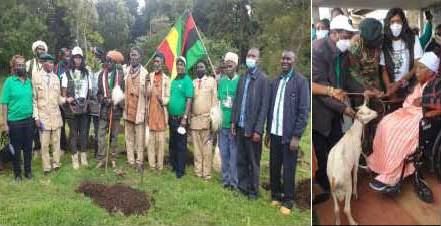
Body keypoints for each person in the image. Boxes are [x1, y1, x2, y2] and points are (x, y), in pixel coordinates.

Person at [368, 52, 437, 203]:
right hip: (408, 112)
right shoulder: (419, 84)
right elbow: (409, 101)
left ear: (431, 72)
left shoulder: (435, 86)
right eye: (416, 69)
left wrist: (425, 104)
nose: (417, 73)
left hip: (422, 117)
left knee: (396, 132)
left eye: (421, 69)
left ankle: (391, 175)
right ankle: (381, 163)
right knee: (385, 123)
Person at [312, 15, 365, 197]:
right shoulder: (317, 50)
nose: (349, 40)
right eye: (346, 36)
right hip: (320, 110)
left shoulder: (342, 53)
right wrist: (345, 109)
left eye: (351, 35)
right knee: (322, 150)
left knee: (336, 145)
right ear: (334, 34)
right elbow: (319, 88)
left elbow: (347, 79)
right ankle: (325, 180)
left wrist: (364, 90)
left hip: (335, 110)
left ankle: (333, 176)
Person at [266, 51, 309, 215]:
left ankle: (288, 200)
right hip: (275, 132)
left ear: (294, 61)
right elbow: (271, 108)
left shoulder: (301, 82)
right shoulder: (276, 81)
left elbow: (303, 111)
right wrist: (268, 132)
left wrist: (297, 136)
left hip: (289, 135)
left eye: (288, 58)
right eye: (283, 58)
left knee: (289, 168)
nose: (284, 61)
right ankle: (276, 195)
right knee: (274, 166)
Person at [231, 47, 270, 199]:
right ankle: (242, 187)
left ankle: (253, 191)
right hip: (240, 126)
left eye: (253, 56)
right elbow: (237, 101)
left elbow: (264, 107)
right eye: (248, 55)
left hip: (253, 129)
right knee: (241, 159)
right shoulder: (243, 77)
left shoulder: (263, 80)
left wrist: (259, 130)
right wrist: (233, 122)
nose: (250, 58)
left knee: (253, 161)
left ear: (258, 59)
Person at [1, 55, 34, 182]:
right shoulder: (9, 82)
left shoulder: (29, 82)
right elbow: (4, 103)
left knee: (27, 148)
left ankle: (28, 171)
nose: (21, 67)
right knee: (16, 148)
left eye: (23, 64)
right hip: (14, 121)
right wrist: (5, 123)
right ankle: (17, 174)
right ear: (13, 67)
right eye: (18, 65)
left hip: (29, 120)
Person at [381, 8, 423, 103]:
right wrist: (389, 87)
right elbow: (383, 69)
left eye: (398, 21)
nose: (395, 25)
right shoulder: (384, 42)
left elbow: (417, 65)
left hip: (410, 86)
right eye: (392, 22)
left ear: (403, 22)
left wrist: (400, 82)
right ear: (388, 23)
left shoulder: (413, 39)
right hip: (392, 86)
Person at [32, 53, 65, 175]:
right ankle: (46, 167)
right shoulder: (36, 77)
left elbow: (58, 98)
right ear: (42, 63)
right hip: (43, 116)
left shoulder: (56, 78)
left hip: (55, 115)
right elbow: (34, 99)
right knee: (44, 144)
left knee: (56, 142)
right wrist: (36, 117)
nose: (51, 65)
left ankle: (56, 164)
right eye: (48, 62)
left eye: (52, 63)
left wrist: (67, 100)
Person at [61, 46, 92, 169]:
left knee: (84, 133)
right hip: (71, 109)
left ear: (82, 59)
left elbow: (89, 90)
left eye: (79, 58)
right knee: (73, 134)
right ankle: (74, 158)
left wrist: (87, 103)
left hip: (84, 108)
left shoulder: (87, 73)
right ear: (72, 59)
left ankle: (83, 156)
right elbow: (63, 92)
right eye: (75, 58)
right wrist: (68, 101)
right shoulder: (65, 74)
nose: (77, 60)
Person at [95, 50, 125, 168]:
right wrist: (104, 99)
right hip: (104, 110)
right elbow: (98, 94)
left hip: (116, 111)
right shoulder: (101, 75)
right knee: (101, 134)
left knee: (114, 135)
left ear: (115, 63)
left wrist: (116, 100)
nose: (109, 63)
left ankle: (113, 158)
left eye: (111, 61)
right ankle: (102, 158)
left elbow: (123, 93)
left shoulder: (120, 76)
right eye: (107, 61)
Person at [190, 60, 218, 180]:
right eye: (197, 67)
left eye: (201, 67)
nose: (199, 69)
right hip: (195, 120)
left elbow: (215, 101)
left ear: (205, 69)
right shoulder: (193, 82)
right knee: (197, 149)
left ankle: (206, 173)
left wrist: (214, 120)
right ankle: (198, 171)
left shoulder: (211, 81)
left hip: (207, 119)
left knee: (206, 149)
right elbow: (190, 102)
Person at [123, 47, 150, 170]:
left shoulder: (145, 73)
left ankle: (139, 161)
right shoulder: (126, 71)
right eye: (131, 55)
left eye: (135, 55)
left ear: (140, 57)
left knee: (140, 138)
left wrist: (148, 84)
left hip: (139, 110)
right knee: (129, 137)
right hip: (128, 109)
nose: (133, 57)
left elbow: (149, 94)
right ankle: (130, 160)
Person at [168, 56, 194, 178]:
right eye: (178, 64)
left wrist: (185, 117)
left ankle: (180, 170)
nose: (179, 66)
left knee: (181, 145)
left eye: (182, 64)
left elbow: (189, 100)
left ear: (185, 66)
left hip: (181, 119)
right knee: (172, 143)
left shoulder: (187, 80)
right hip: (171, 117)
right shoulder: (174, 81)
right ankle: (173, 166)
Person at [218, 52, 240, 189]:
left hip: (234, 125)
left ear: (236, 66)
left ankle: (234, 182)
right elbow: (219, 100)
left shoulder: (240, 81)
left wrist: (235, 122)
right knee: (224, 153)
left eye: (230, 65)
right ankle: (225, 180)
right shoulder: (222, 81)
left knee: (234, 155)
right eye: (226, 65)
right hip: (222, 124)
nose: (228, 68)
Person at [147, 54, 170, 171]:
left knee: (161, 143)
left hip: (161, 113)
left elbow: (168, 97)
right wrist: (146, 85)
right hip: (151, 112)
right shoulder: (149, 76)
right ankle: (152, 165)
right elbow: (145, 95)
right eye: (155, 61)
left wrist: (163, 101)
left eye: (159, 62)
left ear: (163, 64)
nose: (156, 63)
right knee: (151, 142)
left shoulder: (166, 79)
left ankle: (160, 166)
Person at [27, 40, 48, 156]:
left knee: (45, 121)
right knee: (34, 122)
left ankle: (46, 146)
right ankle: (37, 148)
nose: (40, 51)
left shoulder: (48, 63)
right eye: (39, 49)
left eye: (42, 49)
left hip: (45, 97)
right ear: (35, 51)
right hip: (31, 97)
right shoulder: (29, 64)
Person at [88, 47, 105, 158]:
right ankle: (93, 148)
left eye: (97, 56)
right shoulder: (88, 69)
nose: (95, 58)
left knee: (99, 127)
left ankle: (99, 150)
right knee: (93, 127)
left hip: (100, 103)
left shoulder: (103, 70)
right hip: (89, 102)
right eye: (94, 56)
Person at [54, 48, 71, 152]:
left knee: (73, 124)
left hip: (72, 99)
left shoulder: (72, 65)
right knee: (61, 124)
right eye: (66, 56)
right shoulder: (57, 68)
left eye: (69, 56)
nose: (68, 58)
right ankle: (62, 146)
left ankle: (74, 143)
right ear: (61, 56)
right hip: (61, 99)